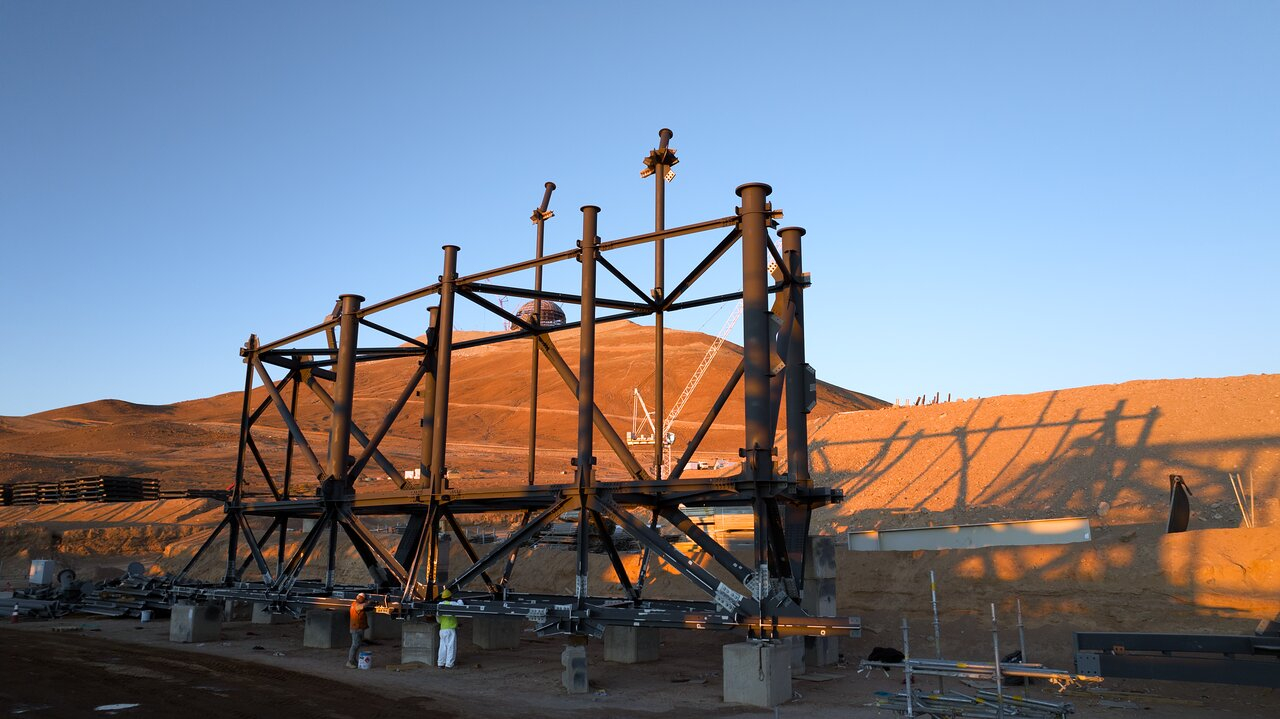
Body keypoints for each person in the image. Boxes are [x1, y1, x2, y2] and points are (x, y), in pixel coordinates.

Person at [347, 593, 372, 668]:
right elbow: (361, 606)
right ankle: (350, 661)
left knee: (356, 645)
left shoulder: (355, 603)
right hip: (356, 628)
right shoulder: (356, 605)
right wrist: (369, 602)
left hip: (358, 628)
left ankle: (353, 661)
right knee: (355, 645)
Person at [437, 589, 460, 669]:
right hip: (450, 630)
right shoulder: (453, 604)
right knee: (451, 647)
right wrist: (460, 600)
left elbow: (438, 619)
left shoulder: (439, 605)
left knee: (442, 647)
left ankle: (440, 663)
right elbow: (460, 605)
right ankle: (449, 665)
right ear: (450, 597)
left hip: (442, 629)